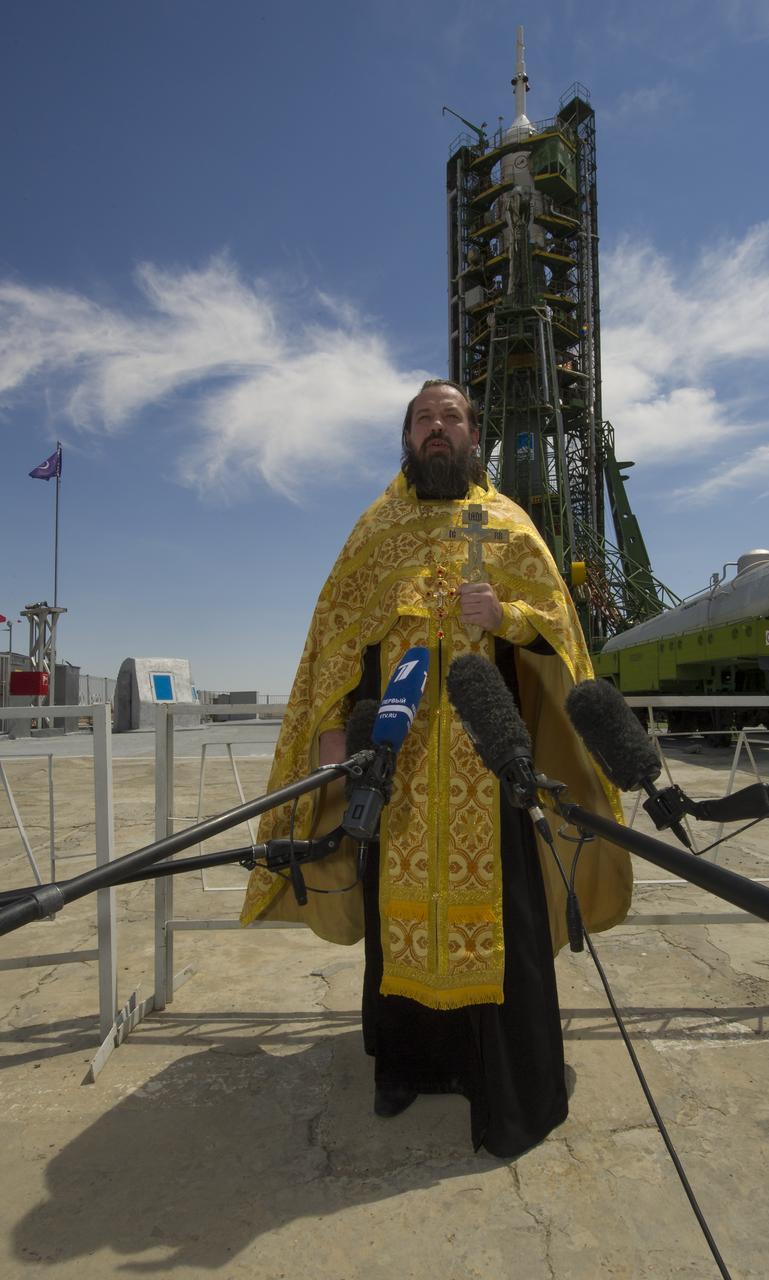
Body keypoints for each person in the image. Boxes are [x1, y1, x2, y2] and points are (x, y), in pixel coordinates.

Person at [241, 379, 632, 1158]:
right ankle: (408, 1069)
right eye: (423, 419)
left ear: (473, 433)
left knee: (505, 927)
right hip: (402, 772)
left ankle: (510, 1090)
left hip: (495, 773)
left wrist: (509, 617)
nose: (436, 429)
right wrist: (331, 760)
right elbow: (334, 651)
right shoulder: (376, 532)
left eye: (450, 417)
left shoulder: (511, 526)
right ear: (407, 440)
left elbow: (560, 635)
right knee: (401, 924)